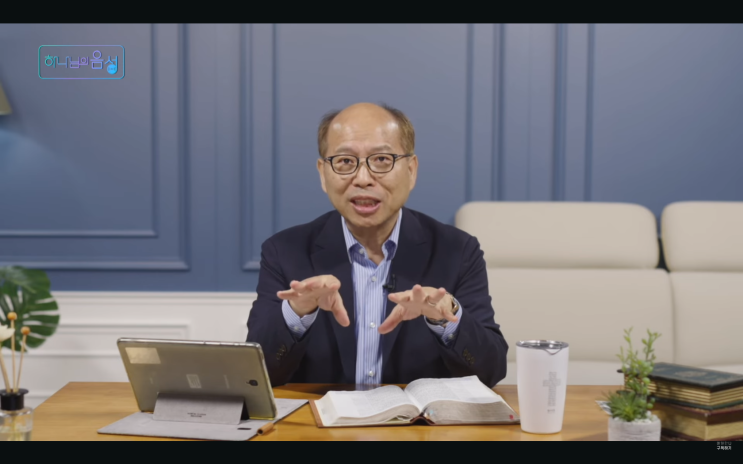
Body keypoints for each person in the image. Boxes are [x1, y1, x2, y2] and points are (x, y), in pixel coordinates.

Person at [247, 102, 508, 387]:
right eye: (345, 161)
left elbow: (491, 372)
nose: (362, 179)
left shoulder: (457, 251)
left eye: (382, 159)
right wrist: (297, 312)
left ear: (411, 170)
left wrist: (446, 318)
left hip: (417, 418)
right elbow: (256, 376)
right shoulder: (284, 251)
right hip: (320, 416)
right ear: (323, 173)